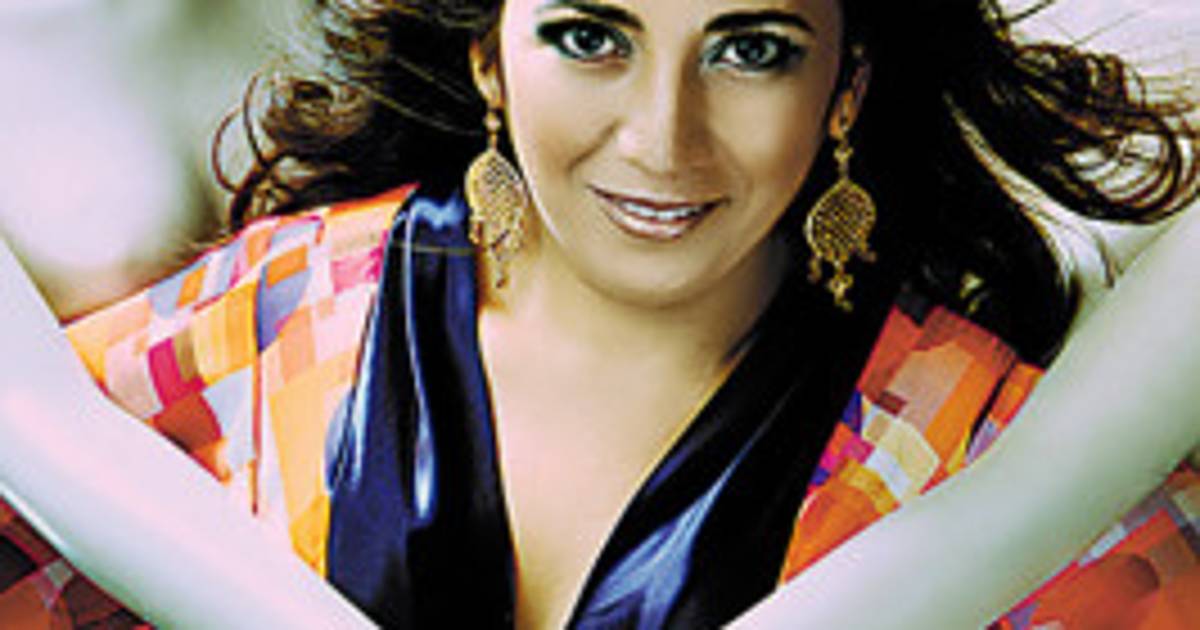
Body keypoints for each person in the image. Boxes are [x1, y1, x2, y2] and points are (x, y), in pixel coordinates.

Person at [0, 0, 1197, 628]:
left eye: (751, 49)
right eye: (590, 37)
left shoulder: (964, 437)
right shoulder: (262, 330)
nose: (661, 140)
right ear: (490, 55)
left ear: (848, 84)